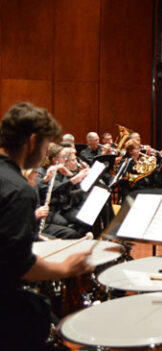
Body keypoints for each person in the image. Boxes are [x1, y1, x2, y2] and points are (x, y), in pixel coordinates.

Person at [0, 102, 93, 350]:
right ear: (31, 141)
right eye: (43, 146)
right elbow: (19, 265)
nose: (44, 155)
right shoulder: (19, 190)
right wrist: (64, 268)